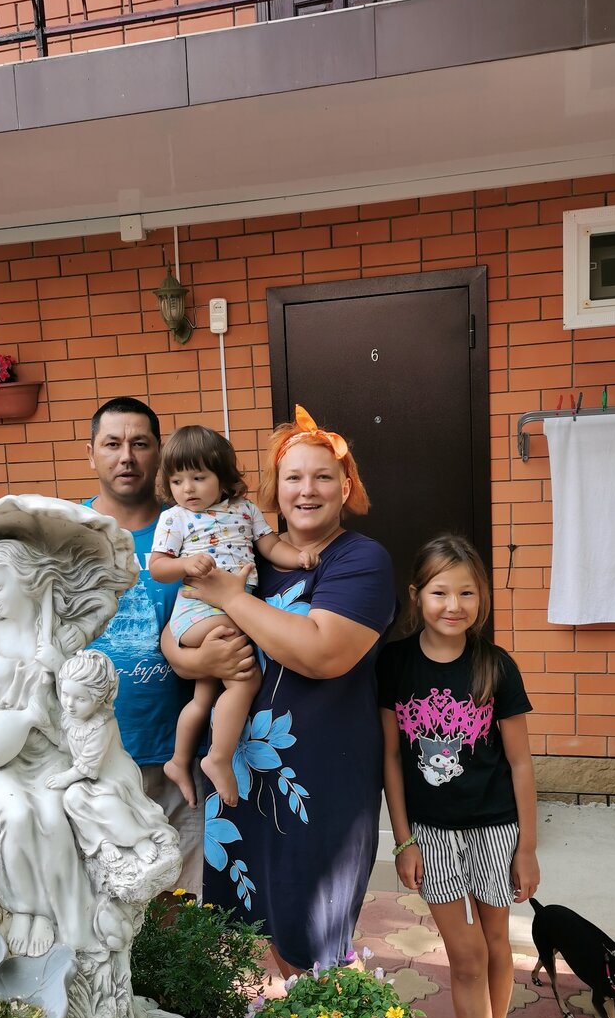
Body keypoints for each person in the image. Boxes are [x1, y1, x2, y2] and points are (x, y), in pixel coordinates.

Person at [178, 405, 396, 977]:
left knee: (315, 941)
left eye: (323, 477)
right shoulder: (248, 556)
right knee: (266, 926)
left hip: (319, 784)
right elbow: (177, 636)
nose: (307, 490)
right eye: (293, 477)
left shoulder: (359, 560)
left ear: (345, 487)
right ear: (274, 490)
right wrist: (194, 655)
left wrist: (231, 598)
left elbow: (322, 653)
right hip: (241, 777)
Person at [376, 533, 540, 1018]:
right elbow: (391, 758)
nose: (454, 604)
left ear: (482, 597)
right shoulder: (395, 665)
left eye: (467, 592)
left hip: (497, 829)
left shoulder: (496, 667)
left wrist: (528, 845)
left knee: (498, 946)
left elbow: (521, 763)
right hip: (433, 835)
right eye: (440, 591)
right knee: (466, 958)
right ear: (417, 595)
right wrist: (403, 839)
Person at [85, 398, 255, 896]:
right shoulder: (69, 533)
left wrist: (201, 660)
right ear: (91, 453)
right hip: (93, 752)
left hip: (176, 747)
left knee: (180, 897)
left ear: (159, 454)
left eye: (140, 443)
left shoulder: (194, 524)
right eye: (112, 444)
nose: (126, 456)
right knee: (102, 897)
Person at [0, 539, 106, 957]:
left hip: (52, 753)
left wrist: (59, 665)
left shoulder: (58, 636)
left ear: (27, 580)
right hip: (3, 756)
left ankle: (55, 914)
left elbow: (83, 699)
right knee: (16, 816)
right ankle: (23, 908)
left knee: (53, 819)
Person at [149, 425, 317, 809]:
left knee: (203, 697)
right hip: (199, 611)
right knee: (245, 677)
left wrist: (298, 557)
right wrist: (185, 564)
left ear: (223, 477)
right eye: (177, 480)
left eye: (198, 477)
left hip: (227, 608)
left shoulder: (245, 510)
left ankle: (178, 761)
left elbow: (270, 545)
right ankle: (218, 758)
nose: (187, 488)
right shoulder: (175, 518)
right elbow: (158, 567)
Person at [47, 649, 175, 871]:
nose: (69, 704)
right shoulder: (70, 717)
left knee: (107, 805)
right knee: (72, 799)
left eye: (80, 699)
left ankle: (138, 838)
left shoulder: (102, 725)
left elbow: (88, 765)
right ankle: (102, 841)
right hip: (88, 779)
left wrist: (64, 778)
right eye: (65, 694)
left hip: (112, 777)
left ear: (98, 700)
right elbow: (64, 744)